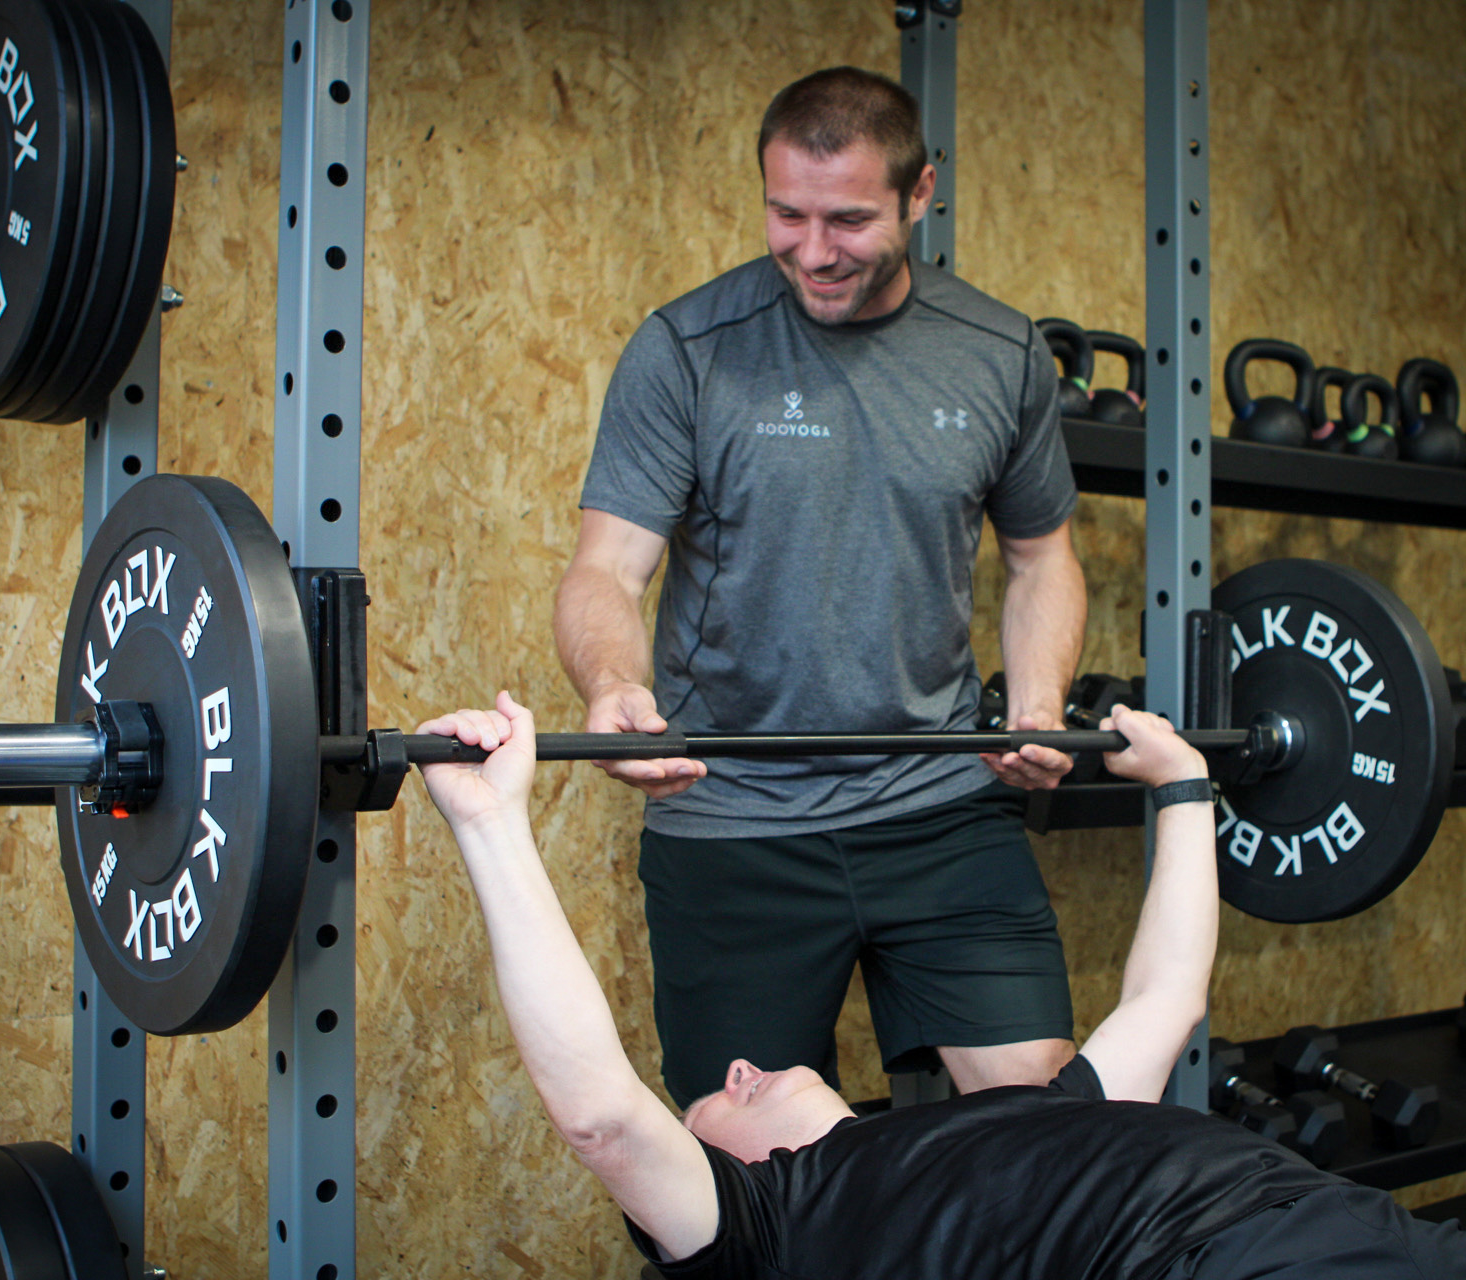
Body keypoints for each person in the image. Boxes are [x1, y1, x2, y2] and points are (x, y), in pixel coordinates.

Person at [418, 695, 1465, 1280]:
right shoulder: (773, 1228)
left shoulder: (1035, 1111)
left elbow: (1166, 997)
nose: (735, 1065)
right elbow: (602, 1114)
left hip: (1362, 1226)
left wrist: (1183, 781)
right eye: (712, 1103)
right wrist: (488, 824)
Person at [553, 65, 1087, 1106]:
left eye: (845, 219)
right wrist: (612, 686)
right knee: (748, 1168)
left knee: (1039, 1113)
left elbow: (1040, 558)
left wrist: (1035, 705)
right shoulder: (687, 349)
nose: (810, 249)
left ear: (919, 193)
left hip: (936, 797)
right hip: (735, 813)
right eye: (784, 213)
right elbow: (605, 569)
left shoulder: (997, 353)